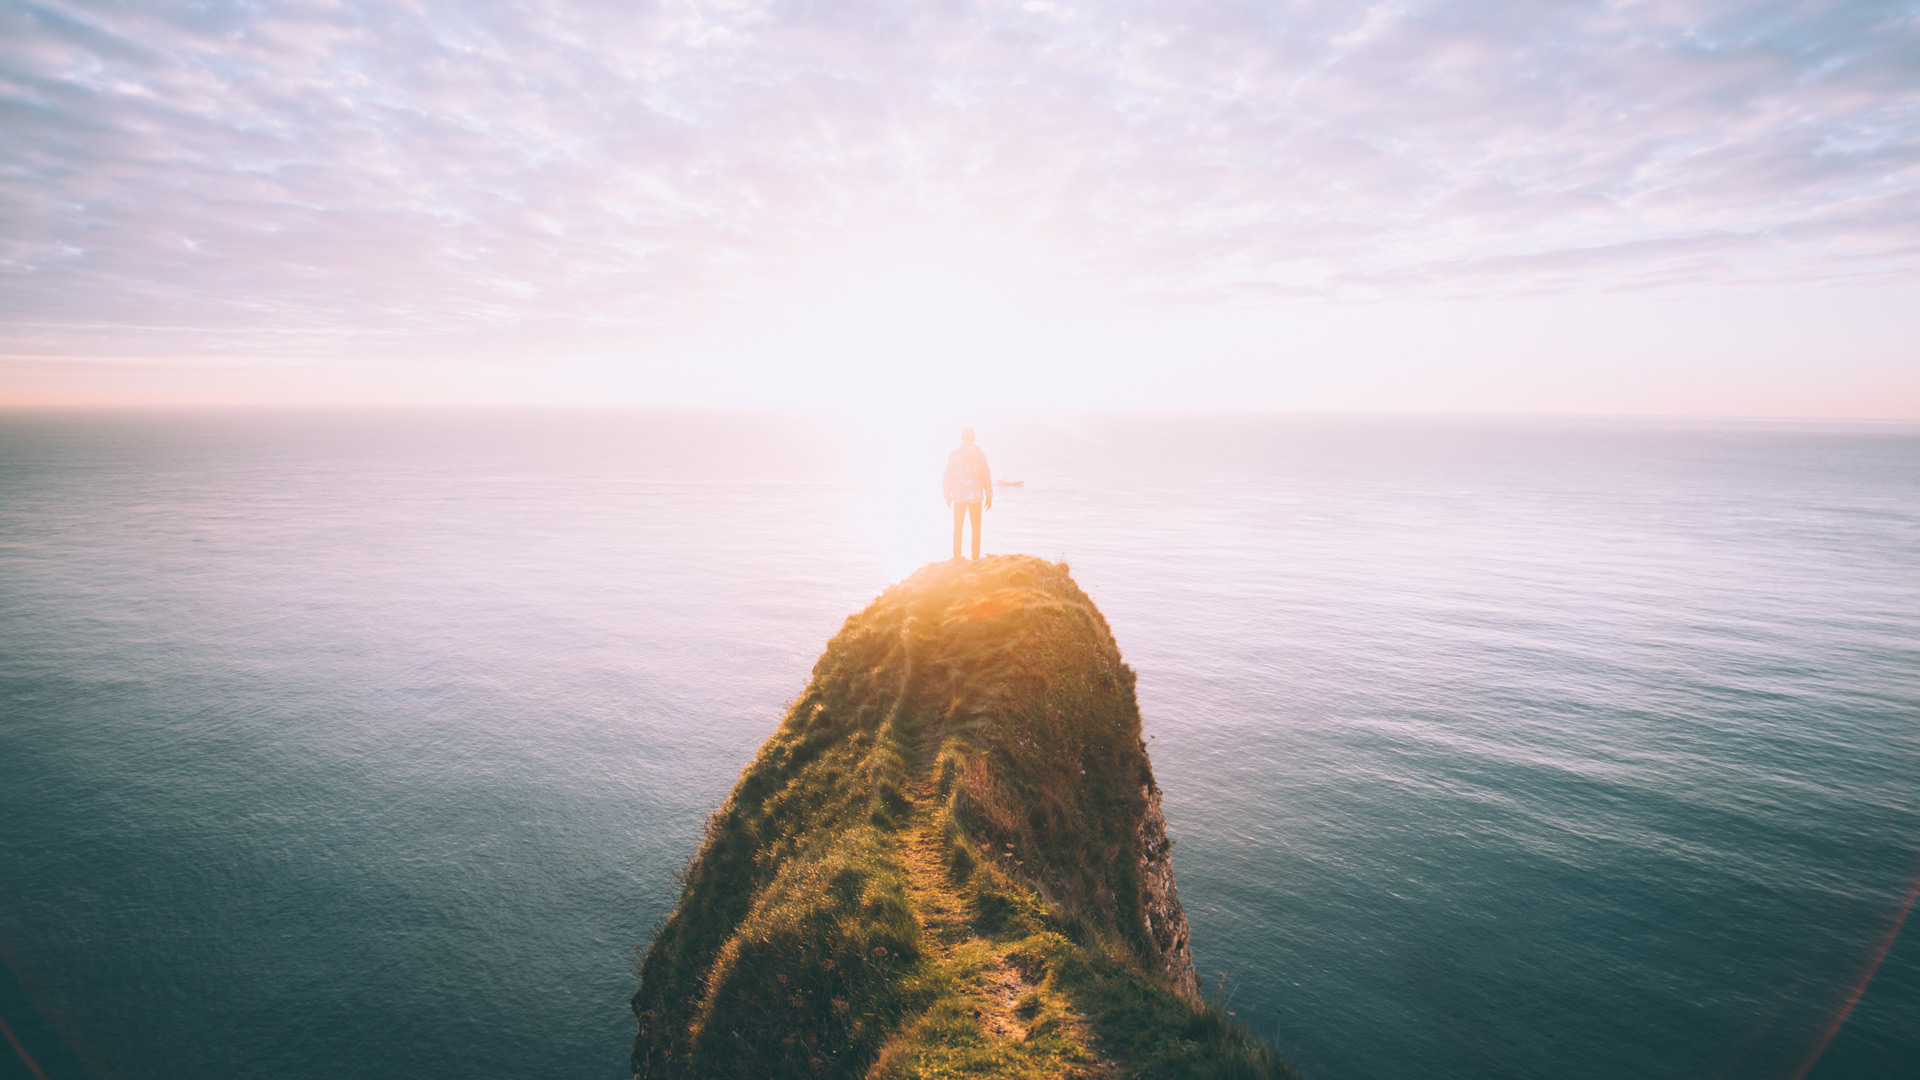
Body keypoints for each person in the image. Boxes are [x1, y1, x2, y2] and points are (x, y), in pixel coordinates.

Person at [943, 427, 992, 561]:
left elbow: (948, 475)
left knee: (957, 528)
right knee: (976, 528)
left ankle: (957, 559)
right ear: (974, 438)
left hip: (959, 496)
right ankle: (975, 559)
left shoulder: (954, 455)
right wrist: (989, 495)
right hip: (976, 496)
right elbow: (986, 475)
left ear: (962, 438)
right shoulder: (980, 455)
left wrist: (947, 495)